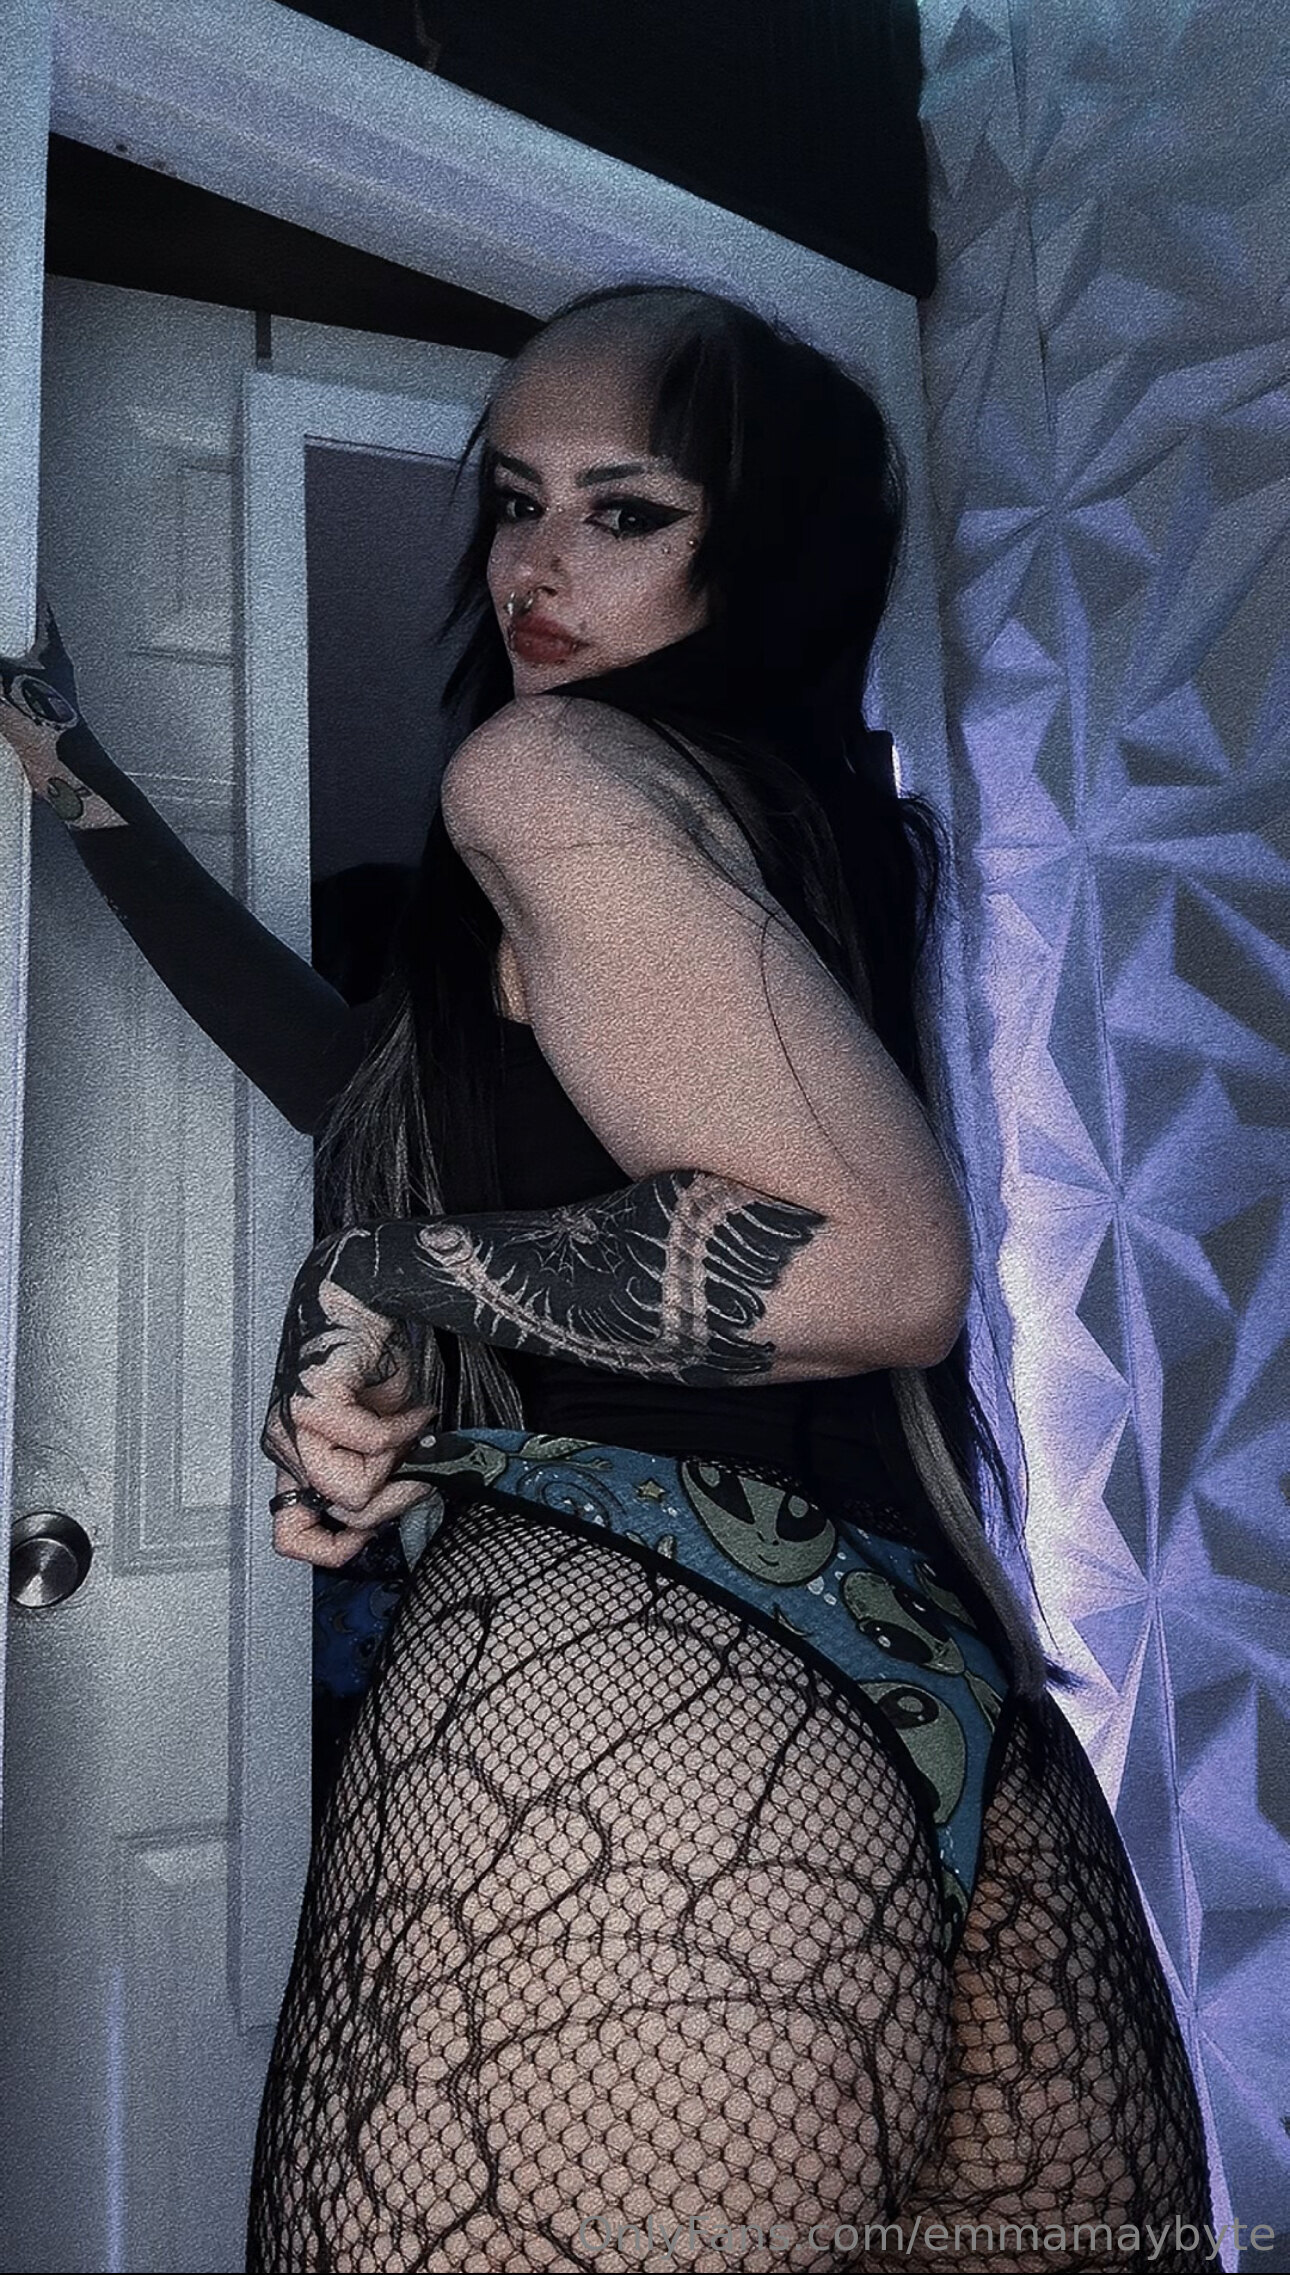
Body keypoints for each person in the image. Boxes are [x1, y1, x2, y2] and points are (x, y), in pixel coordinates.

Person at [1, 284, 1210, 2273]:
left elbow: (878, 1265)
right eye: (516, 499)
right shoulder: (813, 834)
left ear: (764, 548)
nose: (537, 565)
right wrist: (77, 772)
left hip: (640, 1666)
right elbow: (339, 1067)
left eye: (625, 510)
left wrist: (391, 1273)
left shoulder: (544, 772)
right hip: (960, 1711)